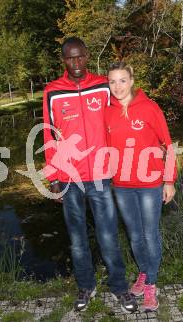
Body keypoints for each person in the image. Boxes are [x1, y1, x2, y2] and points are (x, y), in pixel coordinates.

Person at [42, 38, 137, 313]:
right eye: (70, 59)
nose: (76, 64)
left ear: (87, 55)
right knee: (77, 239)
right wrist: (53, 177)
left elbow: (124, 115)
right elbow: (49, 135)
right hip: (69, 178)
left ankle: (119, 287)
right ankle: (86, 285)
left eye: (80, 57)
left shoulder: (102, 86)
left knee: (108, 235)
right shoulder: (52, 92)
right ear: (63, 61)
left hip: (100, 176)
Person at [105, 62, 177, 312]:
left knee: (150, 234)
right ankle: (145, 273)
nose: (117, 86)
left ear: (132, 80)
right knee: (135, 236)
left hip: (150, 184)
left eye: (122, 80)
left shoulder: (149, 108)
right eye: (112, 81)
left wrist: (169, 180)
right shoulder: (107, 112)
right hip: (122, 186)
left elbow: (168, 144)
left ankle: (151, 285)